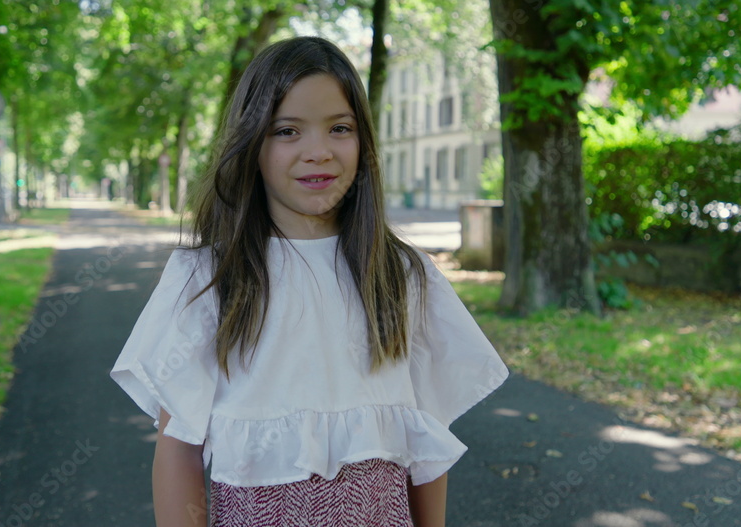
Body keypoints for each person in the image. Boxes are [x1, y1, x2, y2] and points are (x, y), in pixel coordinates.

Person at [110, 36, 509, 527]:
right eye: (287, 131)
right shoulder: (208, 280)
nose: (317, 151)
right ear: (252, 143)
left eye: (339, 128)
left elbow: (424, 442)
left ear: (363, 141)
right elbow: (178, 451)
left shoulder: (404, 278)